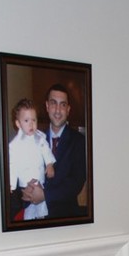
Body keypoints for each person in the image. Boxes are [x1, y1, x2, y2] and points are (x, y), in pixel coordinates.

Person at [20, 84, 88, 219]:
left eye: (62, 105)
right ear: (47, 106)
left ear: (68, 109)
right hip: (35, 219)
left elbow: (76, 183)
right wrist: (24, 191)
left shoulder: (80, 141)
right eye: (53, 103)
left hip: (65, 219)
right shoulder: (33, 138)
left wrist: (45, 195)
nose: (57, 110)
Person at [8, 99, 55, 220]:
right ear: (18, 124)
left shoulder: (40, 138)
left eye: (34, 120)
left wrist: (49, 164)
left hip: (40, 182)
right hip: (25, 184)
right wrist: (11, 184)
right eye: (26, 121)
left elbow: (46, 151)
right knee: (28, 212)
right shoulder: (15, 145)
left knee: (41, 211)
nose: (31, 124)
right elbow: (12, 165)